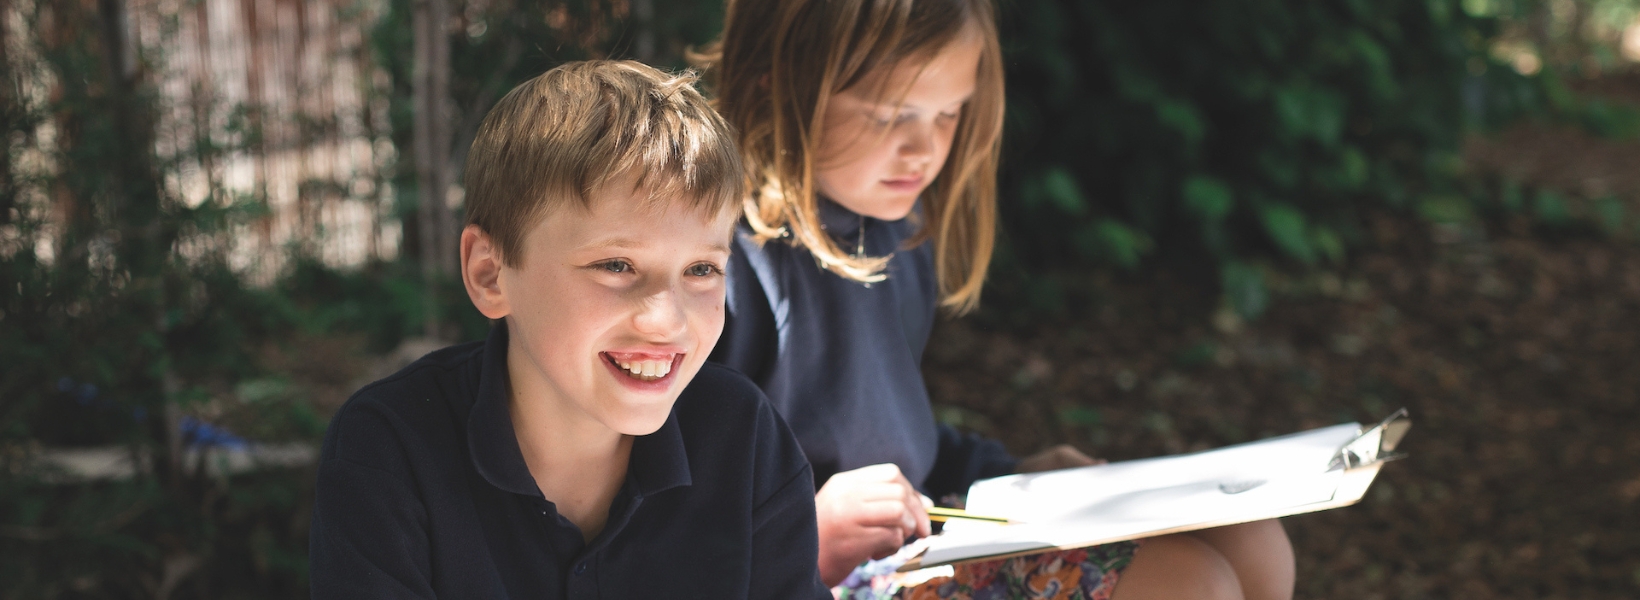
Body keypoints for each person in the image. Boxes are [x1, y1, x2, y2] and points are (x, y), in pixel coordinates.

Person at [698, 0, 1296, 598]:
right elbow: (665, 523)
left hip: (909, 535)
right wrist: (809, 533)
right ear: (776, 82)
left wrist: (1010, 476)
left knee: (1251, 537)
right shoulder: (713, 267)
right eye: (888, 117)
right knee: (1191, 584)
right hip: (804, 570)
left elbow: (889, 436)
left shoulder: (888, 227)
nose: (923, 149)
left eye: (948, 115)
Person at [308, 60, 830, 599]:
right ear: (490, 274)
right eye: (615, 265)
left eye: (701, 270)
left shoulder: (744, 438)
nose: (665, 321)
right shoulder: (390, 448)